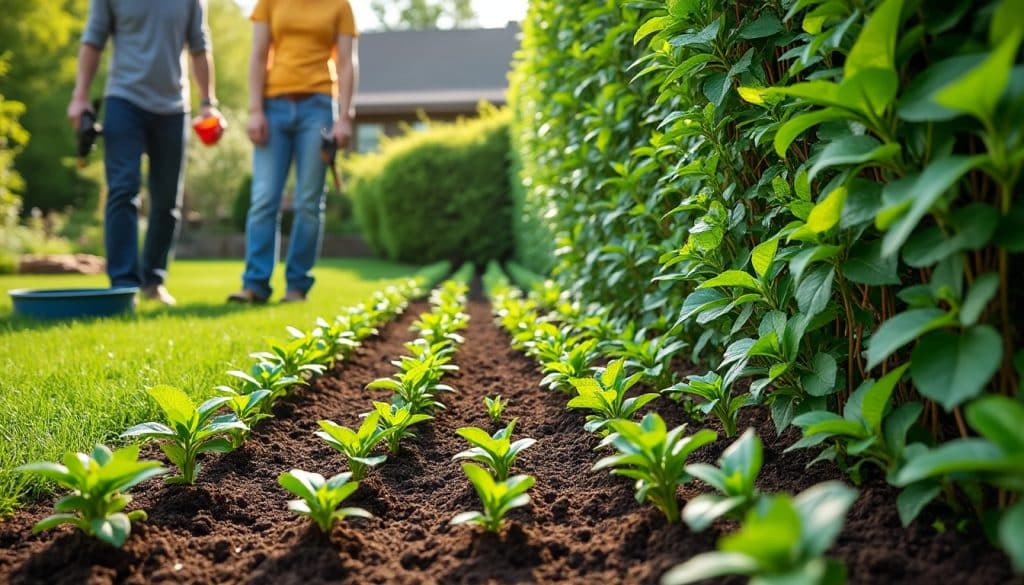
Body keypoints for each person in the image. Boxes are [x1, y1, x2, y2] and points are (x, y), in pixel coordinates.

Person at [68, 0, 221, 306]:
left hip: (174, 108)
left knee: (167, 201)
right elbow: (93, 40)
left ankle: (153, 281)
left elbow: (199, 48)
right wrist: (80, 96)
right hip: (124, 101)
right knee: (123, 190)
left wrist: (209, 103)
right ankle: (124, 285)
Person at [227, 0, 359, 304]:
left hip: (318, 107)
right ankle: (255, 285)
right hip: (273, 106)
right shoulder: (269, 3)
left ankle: (297, 286)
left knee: (309, 202)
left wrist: (344, 117)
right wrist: (255, 110)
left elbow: (347, 62)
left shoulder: (340, 6)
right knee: (263, 199)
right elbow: (259, 54)